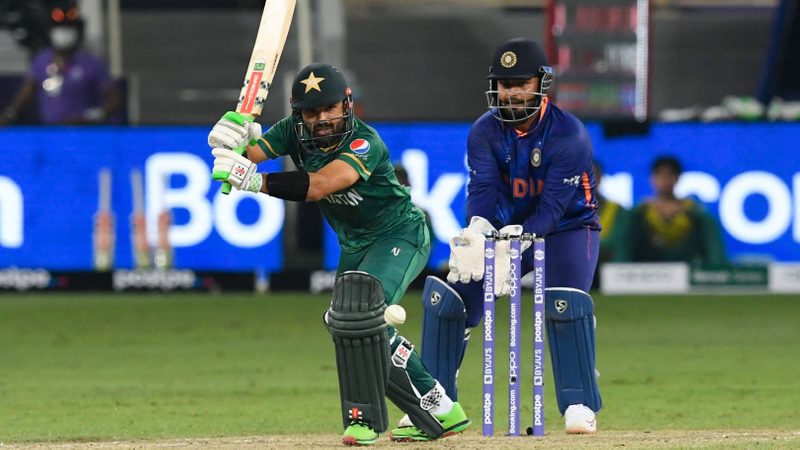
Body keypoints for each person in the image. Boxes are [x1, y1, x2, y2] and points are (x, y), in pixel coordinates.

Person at [207, 63, 470, 445]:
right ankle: (437, 408)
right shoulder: (291, 131)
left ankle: (373, 419)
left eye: (329, 108)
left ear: (346, 105)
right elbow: (244, 154)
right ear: (299, 114)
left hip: (399, 235)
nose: (321, 119)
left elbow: (322, 185)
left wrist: (255, 180)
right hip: (355, 243)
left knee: (361, 317)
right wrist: (227, 140)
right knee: (345, 324)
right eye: (311, 112)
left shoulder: (365, 143)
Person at [416, 37, 603, 434]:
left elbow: (552, 210)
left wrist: (518, 244)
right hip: (504, 232)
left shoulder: (569, 135)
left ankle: (580, 403)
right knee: (449, 299)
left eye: (521, 83)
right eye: (504, 84)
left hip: (568, 229)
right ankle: (435, 404)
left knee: (564, 302)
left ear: (541, 83)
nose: (511, 92)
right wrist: (478, 231)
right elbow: (482, 189)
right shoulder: (484, 131)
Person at [0, 3, 121, 125]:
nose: (63, 33)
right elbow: (26, 92)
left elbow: (113, 99)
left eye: (69, 29)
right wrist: (9, 115)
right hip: (51, 130)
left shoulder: (91, 63)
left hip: (83, 130)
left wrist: (92, 116)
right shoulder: (42, 60)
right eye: (60, 28)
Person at [616, 155, 727, 265]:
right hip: (645, 268)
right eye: (660, 174)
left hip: (686, 266)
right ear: (652, 178)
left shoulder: (694, 212)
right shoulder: (639, 213)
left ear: (678, 178)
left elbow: (713, 246)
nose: (665, 180)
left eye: (669, 174)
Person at [592, 159, 629, 288]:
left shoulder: (617, 210)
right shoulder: (563, 210)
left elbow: (619, 244)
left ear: (600, 177)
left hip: (609, 270)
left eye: (593, 175)